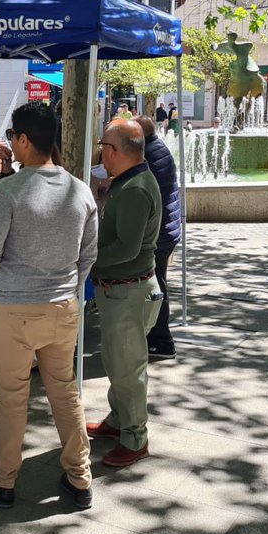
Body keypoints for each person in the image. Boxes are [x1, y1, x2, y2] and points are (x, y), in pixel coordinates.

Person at [0, 102, 97, 510]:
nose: (10, 147)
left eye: (12, 138)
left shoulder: (8, 191)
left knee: (12, 399)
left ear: (24, 139)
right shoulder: (80, 189)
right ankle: (80, 477)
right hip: (62, 308)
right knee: (66, 395)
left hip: (14, 310)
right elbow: (88, 255)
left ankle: (3, 481)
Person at [87, 119, 163, 468]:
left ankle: (135, 438)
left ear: (115, 151)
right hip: (123, 289)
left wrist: (88, 262)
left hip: (128, 291)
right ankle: (119, 421)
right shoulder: (130, 181)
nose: (101, 151)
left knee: (128, 370)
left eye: (103, 145)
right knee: (118, 364)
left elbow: (127, 249)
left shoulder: (135, 188)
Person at [134, 116, 181, 360]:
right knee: (158, 281)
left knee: (156, 285)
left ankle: (161, 340)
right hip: (166, 230)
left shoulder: (149, 155)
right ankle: (158, 337)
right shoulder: (157, 148)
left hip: (160, 233)